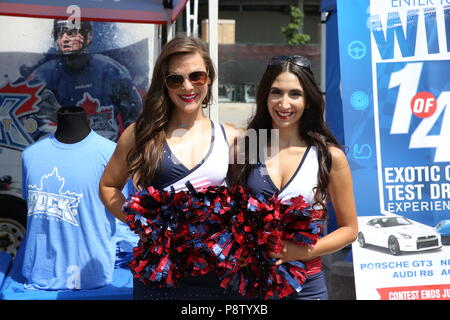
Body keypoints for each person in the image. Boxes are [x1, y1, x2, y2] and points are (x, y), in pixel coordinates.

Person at [99, 34, 241, 300]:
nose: (187, 86)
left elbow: (255, 196)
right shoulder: (139, 134)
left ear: (209, 78)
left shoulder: (233, 137)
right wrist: (140, 222)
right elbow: (108, 186)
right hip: (158, 275)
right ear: (164, 85)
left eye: (196, 76)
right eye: (176, 79)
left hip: (216, 275)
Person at [231, 55, 358, 300]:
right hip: (249, 290)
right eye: (276, 92)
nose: (284, 103)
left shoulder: (328, 156)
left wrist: (302, 251)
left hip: (307, 289)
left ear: (309, 100)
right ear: (265, 97)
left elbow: (350, 229)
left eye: (295, 94)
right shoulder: (245, 148)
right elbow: (228, 212)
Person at [20, 106, 118, 290]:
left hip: (92, 274)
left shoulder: (110, 153)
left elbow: (123, 216)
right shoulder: (30, 156)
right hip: (40, 275)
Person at [24, 19, 142, 142]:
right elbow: (34, 127)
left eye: (71, 33)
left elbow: (136, 116)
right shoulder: (43, 76)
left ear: (89, 36)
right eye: (60, 34)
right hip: (64, 152)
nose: (64, 39)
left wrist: (126, 149)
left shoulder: (110, 70)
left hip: (107, 153)